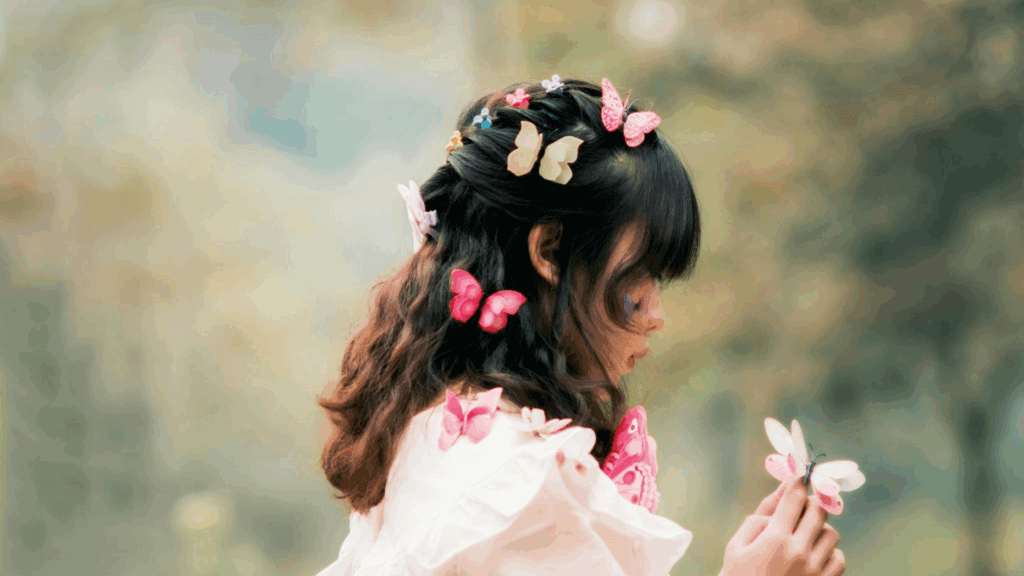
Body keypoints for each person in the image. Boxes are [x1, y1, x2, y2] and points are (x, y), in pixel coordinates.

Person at [315, 77, 845, 575]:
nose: (657, 315)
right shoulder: (520, 483)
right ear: (549, 251)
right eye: (642, 274)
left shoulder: (432, 432)